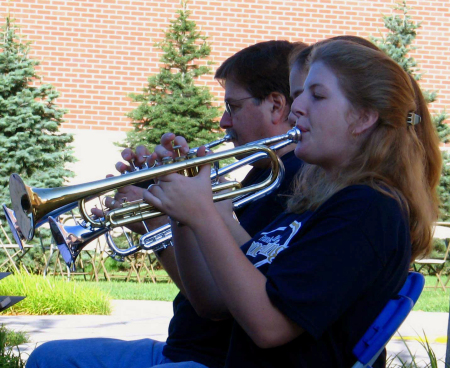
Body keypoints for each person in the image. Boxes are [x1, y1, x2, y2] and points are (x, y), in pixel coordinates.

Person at [141, 39, 441, 368]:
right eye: (299, 95)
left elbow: (269, 326)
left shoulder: (367, 208)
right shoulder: (316, 201)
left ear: (363, 118)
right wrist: (181, 216)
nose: (297, 108)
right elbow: (212, 302)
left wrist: (204, 216)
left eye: (317, 95)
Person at [26, 40, 307, 368]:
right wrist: (165, 213)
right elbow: (203, 291)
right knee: (48, 358)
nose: (223, 122)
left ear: (275, 106)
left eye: (233, 107)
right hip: (180, 349)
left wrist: (161, 225)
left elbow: (216, 305)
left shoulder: (294, 189)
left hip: (213, 359)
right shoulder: (256, 179)